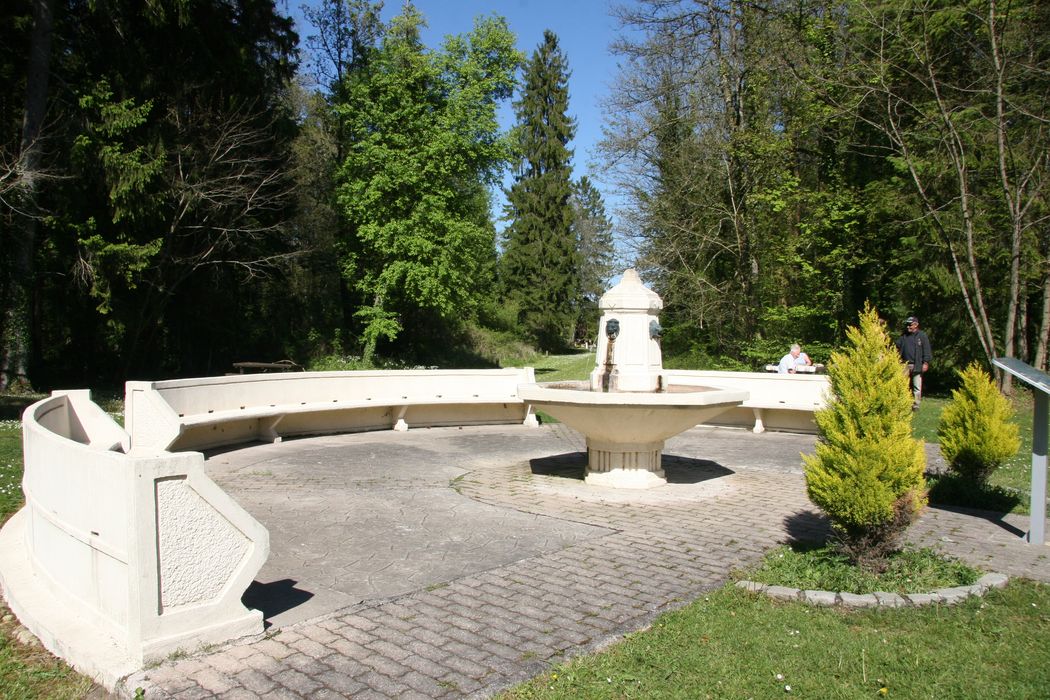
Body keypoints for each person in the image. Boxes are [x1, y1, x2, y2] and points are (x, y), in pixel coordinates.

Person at [895, 316, 932, 409]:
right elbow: (896, 345)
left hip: (917, 364)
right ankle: (902, 403)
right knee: (902, 385)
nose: (908, 327)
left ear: (916, 325)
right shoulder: (903, 336)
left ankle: (916, 404)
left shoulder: (922, 336)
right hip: (904, 364)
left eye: (910, 325)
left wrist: (926, 363)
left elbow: (927, 350)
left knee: (917, 386)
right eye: (907, 325)